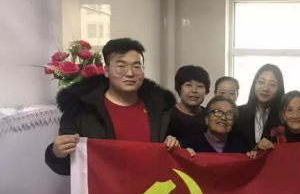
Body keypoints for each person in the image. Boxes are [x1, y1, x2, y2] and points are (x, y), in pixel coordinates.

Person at [45, 38, 179, 176]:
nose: (130, 73)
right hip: (104, 189)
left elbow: (176, 159)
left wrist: (176, 146)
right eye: (121, 66)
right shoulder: (81, 109)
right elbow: (69, 168)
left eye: (136, 66)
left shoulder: (160, 109)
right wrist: (56, 153)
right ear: (106, 70)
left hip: (151, 186)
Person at [253, 91, 300, 156]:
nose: (295, 116)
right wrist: (257, 148)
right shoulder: (274, 135)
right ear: (283, 115)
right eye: (289, 110)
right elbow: (256, 156)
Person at [235, 64, 286, 150]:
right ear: (254, 84)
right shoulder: (238, 113)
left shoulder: (284, 116)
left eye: (272, 84)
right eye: (261, 82)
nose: (265, 89)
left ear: (279, 89)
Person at [182, 96, 248, 155]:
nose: (223, 118)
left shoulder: (241, 148)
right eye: (218, 112)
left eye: (229, 114)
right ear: (207, 119)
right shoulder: (190, 145)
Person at [167, 65, 211, 142]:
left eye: (199, 86)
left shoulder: (209, 116)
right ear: (179, 89)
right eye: (188, 85)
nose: (194, 90)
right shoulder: (167, 116)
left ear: (206, 91)